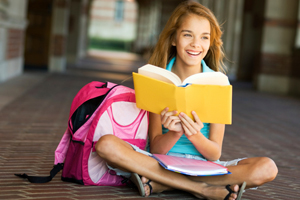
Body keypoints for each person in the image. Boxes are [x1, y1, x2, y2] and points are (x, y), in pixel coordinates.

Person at [95, 1, 278, 199]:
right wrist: (174, 133)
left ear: (210, 42)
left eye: (204, 37)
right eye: (187, 34)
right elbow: (156, 148)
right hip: (158, 162)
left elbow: (214, 153)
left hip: (203, 166)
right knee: (106, 144)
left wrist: (195, 136)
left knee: (267, 168)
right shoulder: (159, 80)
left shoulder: (218, 84)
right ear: (174, 38)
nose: (196, 44)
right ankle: (202, 189)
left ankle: (162, 182)